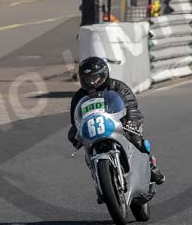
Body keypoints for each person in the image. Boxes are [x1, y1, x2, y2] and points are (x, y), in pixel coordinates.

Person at [68, 56, 165, 185]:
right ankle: (100, 180)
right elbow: (75, 120)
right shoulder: (79, 96)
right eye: (87, 79)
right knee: (88, 155)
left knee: (136, 139)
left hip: (118, 122)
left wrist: (131, 120)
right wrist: (75, 134)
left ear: (104, 74)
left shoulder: (117, 86)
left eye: (94, 78)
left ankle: (150, 166)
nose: (91, 83)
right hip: (95, 129)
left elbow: (131, 104)